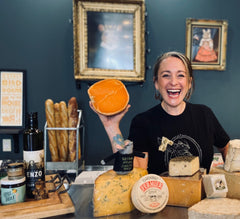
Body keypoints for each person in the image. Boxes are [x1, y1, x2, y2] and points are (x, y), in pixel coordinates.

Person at [89, 51, 229, 174]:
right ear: (156, 83)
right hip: (159, 202)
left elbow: (228, 150)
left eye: (180, 75)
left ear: (189, 83)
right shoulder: (143, 122)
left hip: (201, 203)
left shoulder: (205, 115)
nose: (173, 82)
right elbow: (135, 172)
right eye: (166, 75)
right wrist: (112, 127)